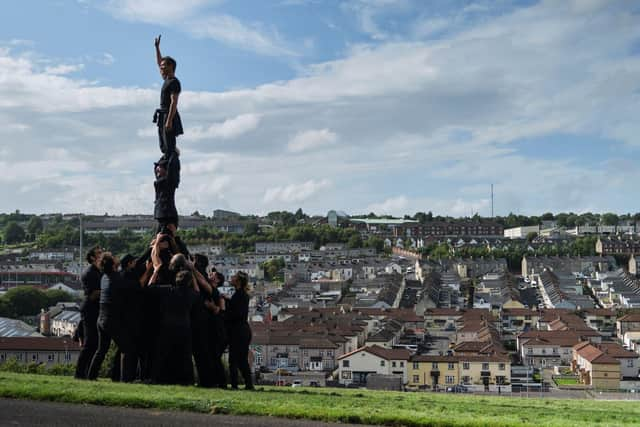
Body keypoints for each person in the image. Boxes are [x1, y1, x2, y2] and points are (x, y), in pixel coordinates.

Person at [87, 253, 136, 381]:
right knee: (127, 348)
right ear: (114, 265)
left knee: (101, 350)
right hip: (112, 320)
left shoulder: (104, 277)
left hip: (101, 319)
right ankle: (125, 380)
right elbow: (135, 286)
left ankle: (91, 377)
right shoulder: (117, 278)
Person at [75, 246, 103, 379]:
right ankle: (79, 374)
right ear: (92, 257)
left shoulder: (98, 271)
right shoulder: (90, 273)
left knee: (94, 344)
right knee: (90, 343)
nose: (101, 255)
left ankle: (85, 373)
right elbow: (92, 294)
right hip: (90, 310)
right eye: (99, 253)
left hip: (95, 309)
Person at [153, 35, 183, 156]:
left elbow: (174, 102)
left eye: (164, 65)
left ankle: (174, 153)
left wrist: (169, 121)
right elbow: (159, 62)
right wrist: (157, 48)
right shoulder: (166, 79)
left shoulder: (174, 82)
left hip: (168, 115)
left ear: (171, 67)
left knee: (169, 146)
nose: (161, 67)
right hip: (162, 116)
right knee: (163, 146)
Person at [225, 271, 254, 390]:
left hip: (238, 331)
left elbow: (236, 314)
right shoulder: (241, 295)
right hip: (243, 330)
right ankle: (248, 384)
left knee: (234, 360)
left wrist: (224, 309)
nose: (231, 278)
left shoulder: (239, 295)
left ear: (238, 281)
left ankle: (235, 385)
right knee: (242, 359)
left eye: (234, 277)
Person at [205, 271, 227, 388]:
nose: (210, 274)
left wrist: (213, 307)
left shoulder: (217, 294)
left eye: (213, 274)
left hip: (218, 332)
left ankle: (220, 382)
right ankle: (218, 382)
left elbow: (220, 312)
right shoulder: (217, 294)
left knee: (215, 357)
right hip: (216, 331)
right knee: (214, 358)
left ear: (217, 280)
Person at [153, 156, 180, 231]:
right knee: (160, 238)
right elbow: (156, 168)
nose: (157, 169)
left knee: (164, 238)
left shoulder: (169, 179)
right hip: (161, 215)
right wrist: (164, 156)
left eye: (160, 167)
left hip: (168, 215)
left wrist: (173, 154)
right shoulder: (159, 179)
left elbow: (172, 165)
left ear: (166, 169)